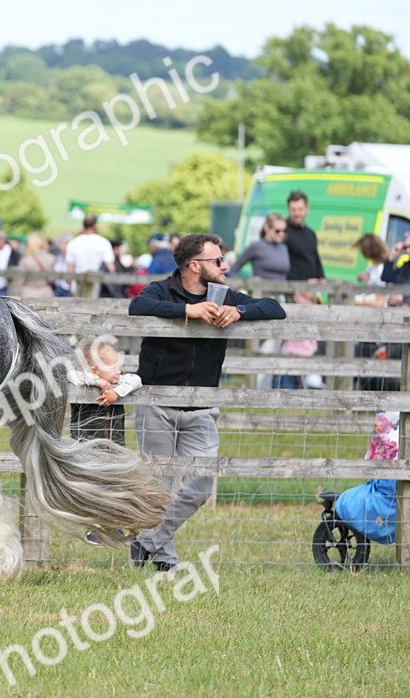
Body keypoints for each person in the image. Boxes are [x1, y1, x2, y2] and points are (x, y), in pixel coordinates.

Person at [128, 233, 285, 571]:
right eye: (218, 260)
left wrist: (240, 310)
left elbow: (275, 308)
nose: (225, 266)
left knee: (201, 485)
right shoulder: (160, 290)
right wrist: (187, 310)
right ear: (194, 265)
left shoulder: (224, 295)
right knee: (158, 486)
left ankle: (148, 541)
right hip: (157, 404)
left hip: (202, 407)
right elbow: (137, 306)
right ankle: (164, 559)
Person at [67, 339, 141, 446]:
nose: (118, 371)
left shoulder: (119, 381)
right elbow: (70, 375)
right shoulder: (83, 379)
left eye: (118, 367)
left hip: (115, 448)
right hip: (85, 448)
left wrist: (116, 392)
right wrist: (97, 381)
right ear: (94, 370)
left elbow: (137, 380)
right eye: (113, 368)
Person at [65, 214, 115, 296]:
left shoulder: (73, 243)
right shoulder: (103, 242)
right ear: (95, 225)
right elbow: (111, 267)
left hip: (77, 284)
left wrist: (70, 283)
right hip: (96, 284)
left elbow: (70, 268)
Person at [232, 213, 290, 281]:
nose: (281, 234)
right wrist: (241, 285)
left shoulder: (283, 247)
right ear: (267, 228)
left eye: (284, 231)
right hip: (261, 287)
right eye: (277, 231)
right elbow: (233, 270)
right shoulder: (256, 246)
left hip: (282, 287)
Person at [284, 191, 324, 282]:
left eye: (300, 209)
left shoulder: (311, 233)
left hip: (312, 287)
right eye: (293, 210)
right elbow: (280, 265)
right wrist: (304, 281)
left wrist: (321, 279)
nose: (297, 213)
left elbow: (316, 260)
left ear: (307, 209)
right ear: (288, 210)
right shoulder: (282, 232)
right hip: (291, 286)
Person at [15, 232, 55, 300]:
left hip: (28, 293)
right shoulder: (52, 258)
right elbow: (52, 278)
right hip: (46, 293)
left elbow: (19, 280)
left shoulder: (26, 260)